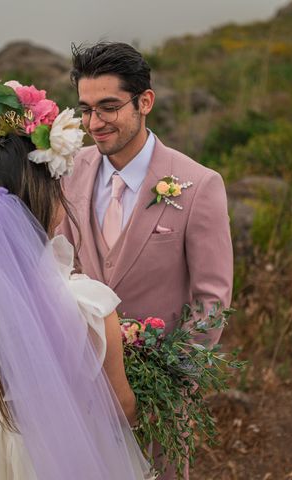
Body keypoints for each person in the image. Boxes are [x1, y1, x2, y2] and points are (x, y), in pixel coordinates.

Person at [0, 82, 155, 479]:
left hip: (0, 436)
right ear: (47, 198)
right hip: (71, 451)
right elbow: (123, 408)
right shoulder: (90, 306)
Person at [57, 42, 234, 479]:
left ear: (145, 102)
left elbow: (212, 300)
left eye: (109, 107)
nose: (94, 123)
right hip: (80, 385)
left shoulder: (199, 185)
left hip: (160, 393)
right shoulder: (70, 169)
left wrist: (169, 383)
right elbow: (59, 265)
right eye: (86, 109)